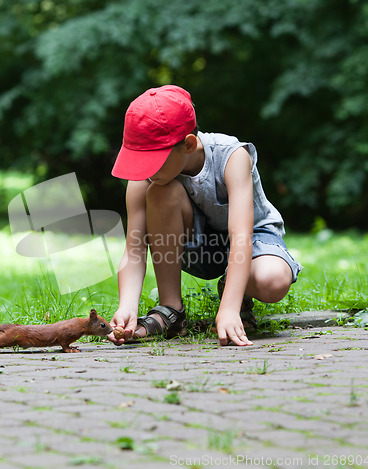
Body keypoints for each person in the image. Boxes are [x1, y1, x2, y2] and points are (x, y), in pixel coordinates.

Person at [108, 85, 302, 347]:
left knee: (272, 280)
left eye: (153, 159)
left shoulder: (232, 156)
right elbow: (134, 249)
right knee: (159, 192)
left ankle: (234, 293)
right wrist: (127, 307)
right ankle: (171, 310)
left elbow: (241, 236)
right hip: (198, 247)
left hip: (253, 240)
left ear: (187, 144)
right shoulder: (147, 178)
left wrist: (230, 307)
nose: (146, 170)